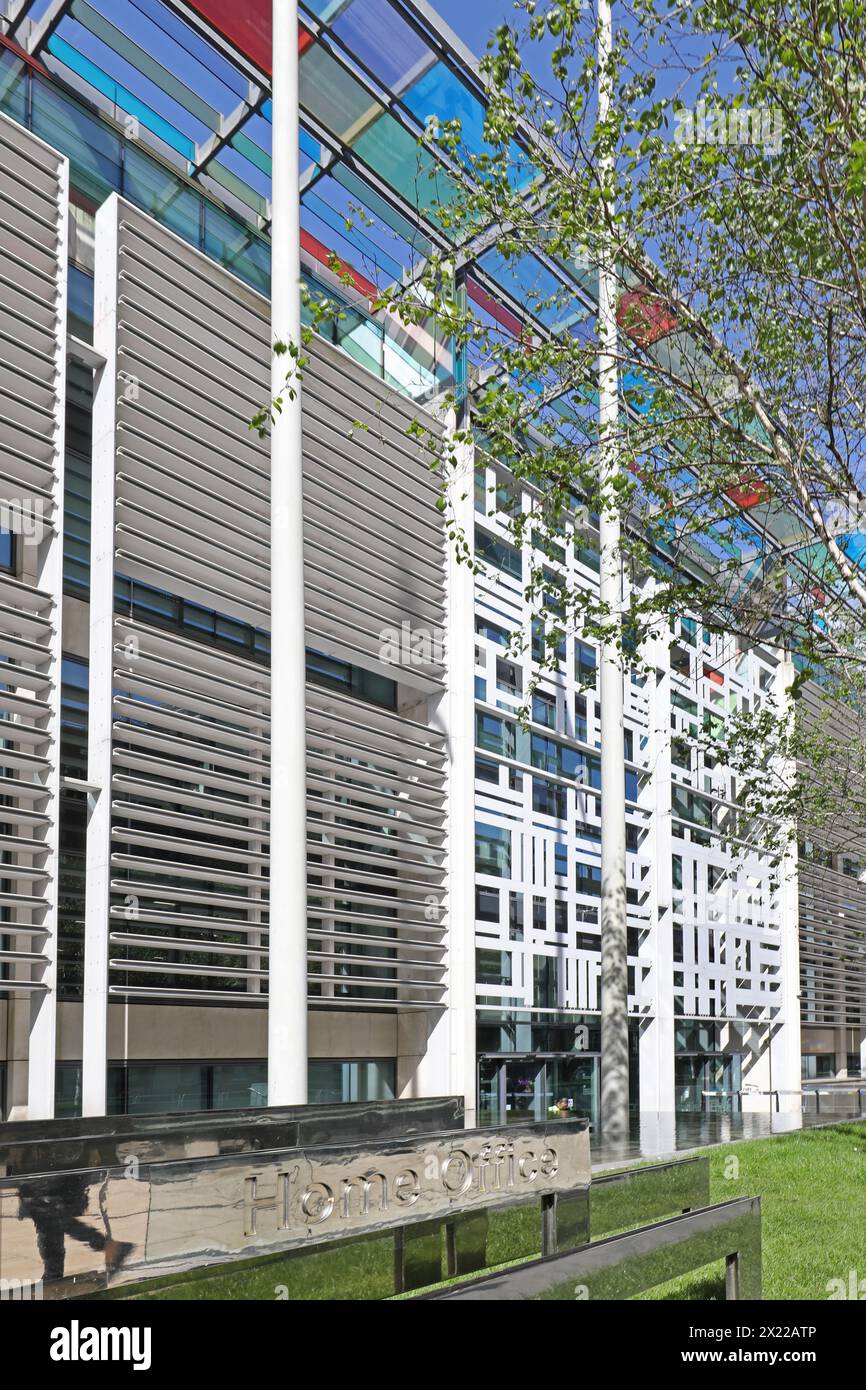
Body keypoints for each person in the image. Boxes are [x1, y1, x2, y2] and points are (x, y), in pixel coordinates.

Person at [17, 1172, 132, 1282]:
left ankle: (53, 1275)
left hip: (56, 1171)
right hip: (49, 1174)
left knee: (48, 1215)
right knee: (49, 1218)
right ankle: (53, 1275)